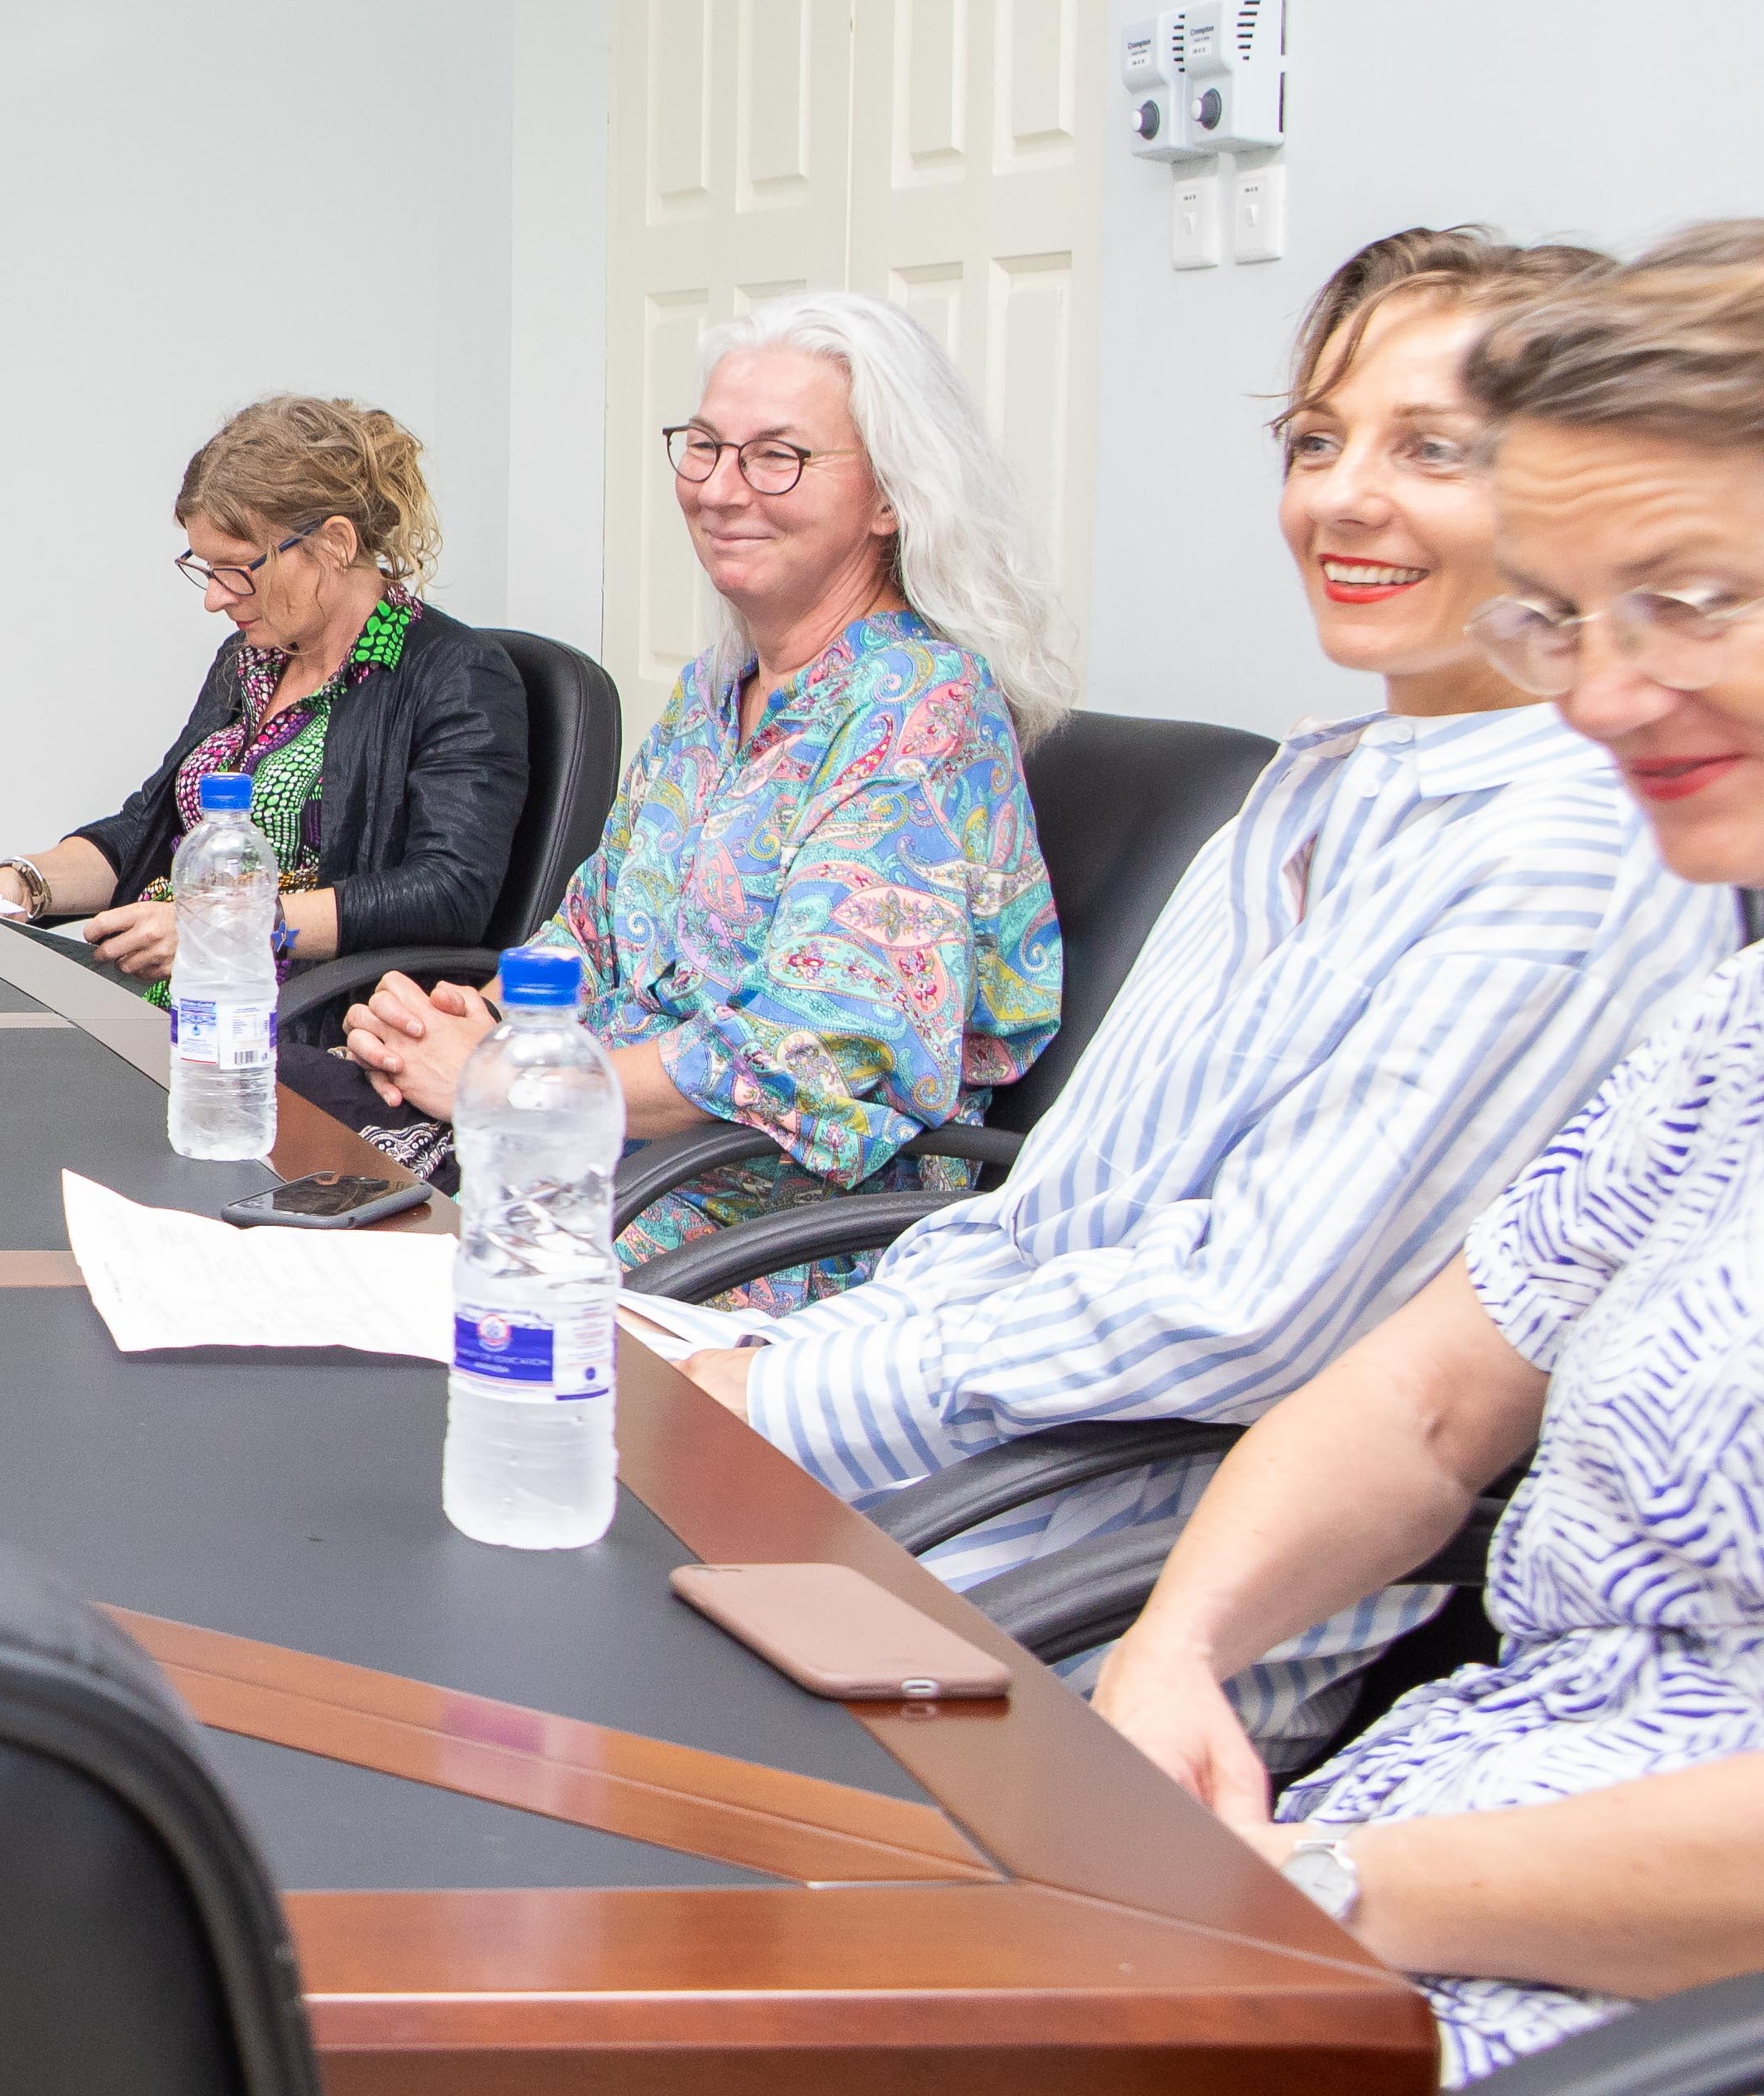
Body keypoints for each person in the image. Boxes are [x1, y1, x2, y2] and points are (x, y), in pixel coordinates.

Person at [814, 221, 1764, 2096]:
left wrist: (1345, 1901)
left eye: (1690, 601)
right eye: (1572, 618)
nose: (1613, 687)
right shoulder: (1728, 1031)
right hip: (1452, 1886)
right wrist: (1185, 1661)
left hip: (1644, 2032)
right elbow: (1424, 1399)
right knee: (748, 2090)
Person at [686, 233, 1713, 1736]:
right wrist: (795, 1363)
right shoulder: (1310, 788)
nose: (1342, 496)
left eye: (1430, 447)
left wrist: (793, 1402)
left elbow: (1249, 1313)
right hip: (928, 1485)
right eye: (1315, 439)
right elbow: (1054, 1210)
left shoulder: (1569, 851)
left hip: (1069, 1598)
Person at [340, 293, 1065, 1297]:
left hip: (770, 1216)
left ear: (892, 497)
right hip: (604, 1150)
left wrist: (505, 1080)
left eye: (778, 456)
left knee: (381, 1298)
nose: (724, 489)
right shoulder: (714, 689)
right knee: (297, 1170)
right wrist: (475, 1018)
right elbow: (592, 930)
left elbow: (813, 1048)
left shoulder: (920, 707)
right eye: (707, 448)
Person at [0, 397, 528, 1022]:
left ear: (333, 543)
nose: (215, 598)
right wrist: (21, 884)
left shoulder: (457, 674)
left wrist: (231, 926)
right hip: (174, 1001)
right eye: (206, 569)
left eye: (236, 570)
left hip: (308, 1022)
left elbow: (449, 891)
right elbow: (151, 828)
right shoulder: (249, 661)